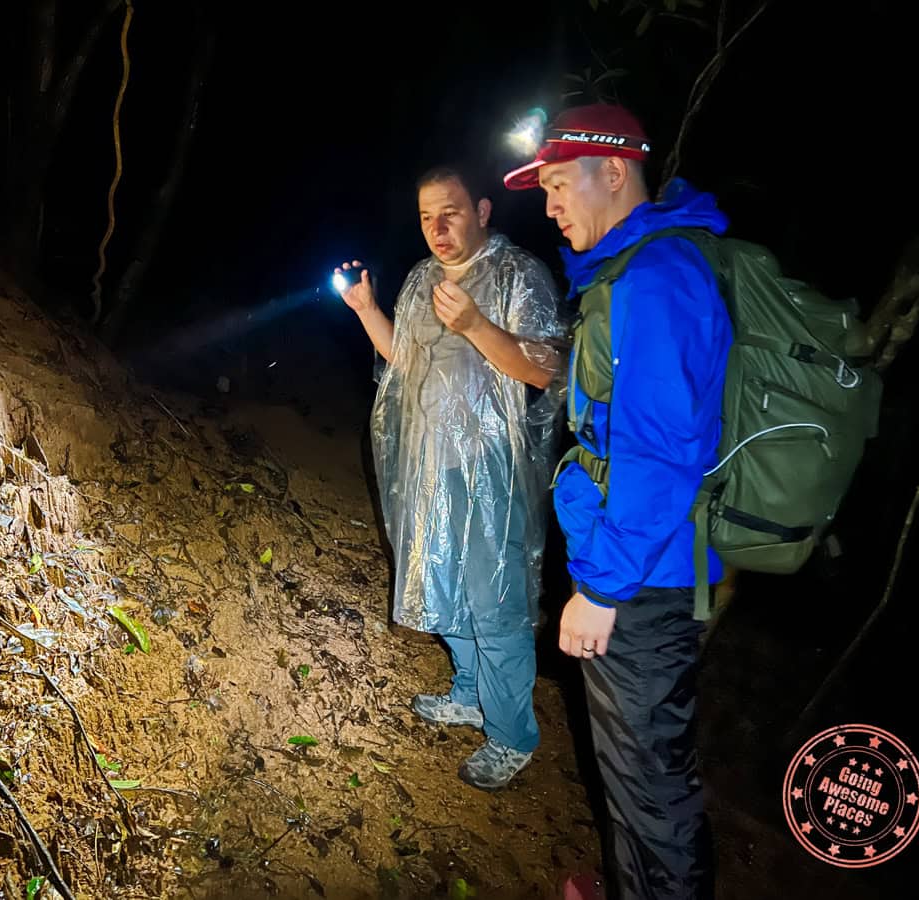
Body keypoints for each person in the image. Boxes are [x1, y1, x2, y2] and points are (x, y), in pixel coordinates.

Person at [503, 103, 731, 898]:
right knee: (638, 772)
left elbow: (661, 454)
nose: (552, 203)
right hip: (645, 567)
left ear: (613, 171)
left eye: (560, 184)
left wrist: (601, 587)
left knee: (652, 785)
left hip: (643, 581)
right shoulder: (635, 272)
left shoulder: (657, 280)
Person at [337, 163, 570, 790]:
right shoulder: (419, 281)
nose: (437, 229)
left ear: (484, 211)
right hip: (430, 462)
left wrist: (474, 324)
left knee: (495, 601)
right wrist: (366, 310)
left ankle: (513, 734)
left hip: (493, 471)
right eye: (425, 217)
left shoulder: (520, 276)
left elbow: (545, 370)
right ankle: (469, 693)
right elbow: (405, 362)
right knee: (440, 581)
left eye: (451, 212)